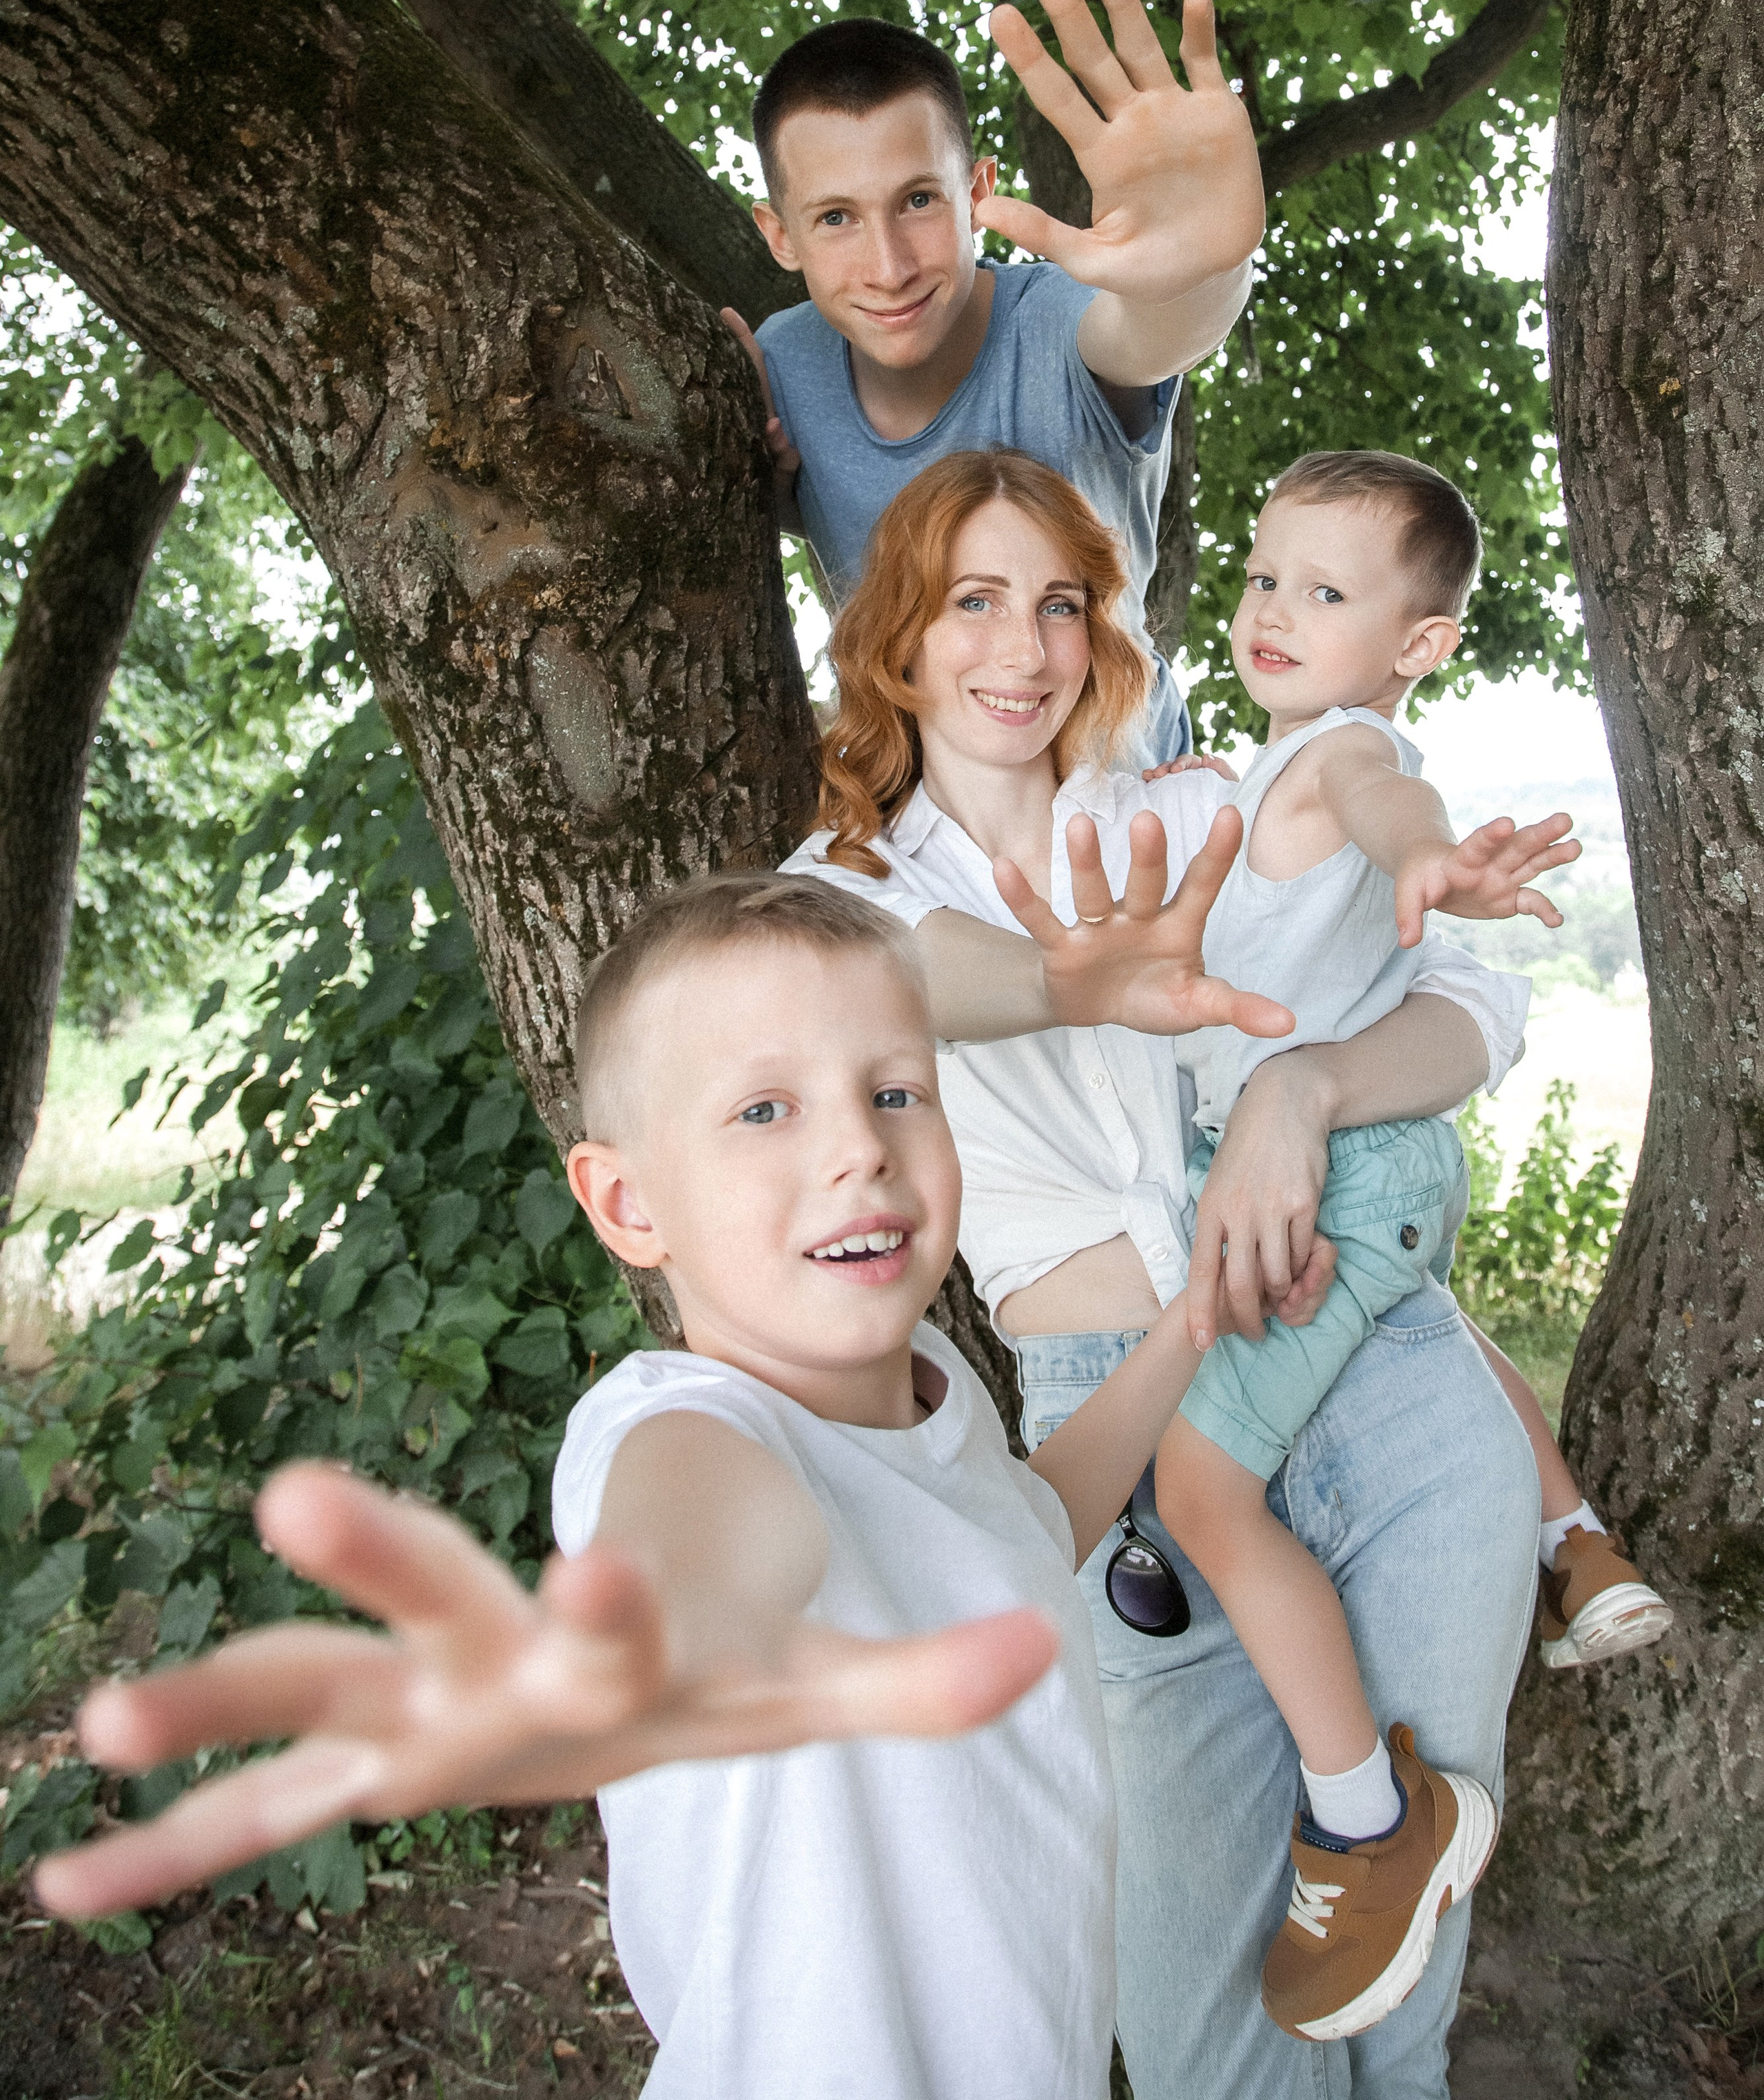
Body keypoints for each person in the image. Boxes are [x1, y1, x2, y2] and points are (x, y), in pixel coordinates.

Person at [34, 871, 1331, 2100]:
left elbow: (1020, 1527)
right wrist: (620, 1658)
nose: (859, 1149)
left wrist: (1193, 1323)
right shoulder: (683, 1430)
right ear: (628, 1204)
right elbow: (696, 1562)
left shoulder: (940, 1393)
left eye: (896, 1091)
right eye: (764, 1110)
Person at [779, 447, 1549, 2099]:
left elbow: (1475, 1005)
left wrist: (1304, 1087)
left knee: (1395, 1992)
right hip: (1130, 1442)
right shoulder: (836, 895)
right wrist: (1081, 983)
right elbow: (911, 976)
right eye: (971, 600)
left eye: (1058, 602)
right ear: (896, 634)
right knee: (1207, 2037)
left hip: (1380, 1383)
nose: (1021, 645)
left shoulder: (1187, 811)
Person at [1138, 447, 1669, 2039]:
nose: (1269, 610)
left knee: (1198, 1491)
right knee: (1428, 1313)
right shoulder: (1257, 769)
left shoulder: (1341, 753)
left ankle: (1369, 1819)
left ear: (1416, 643)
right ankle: (1572, 1536)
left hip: (1344, 1169)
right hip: (1377, 1176)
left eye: (1322, 590)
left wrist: (1426, 857)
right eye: (1260, 576)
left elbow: (1386, 799)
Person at [721, 0, 1267, 760]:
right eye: (835, 218)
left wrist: (1203, 268)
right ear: (779, 235)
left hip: (1124, 807)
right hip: (924, 819)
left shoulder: (1061, 322)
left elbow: (1156, 330)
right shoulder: (785, 366)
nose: (889, 268)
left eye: (918, 200)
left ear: (977, 191)